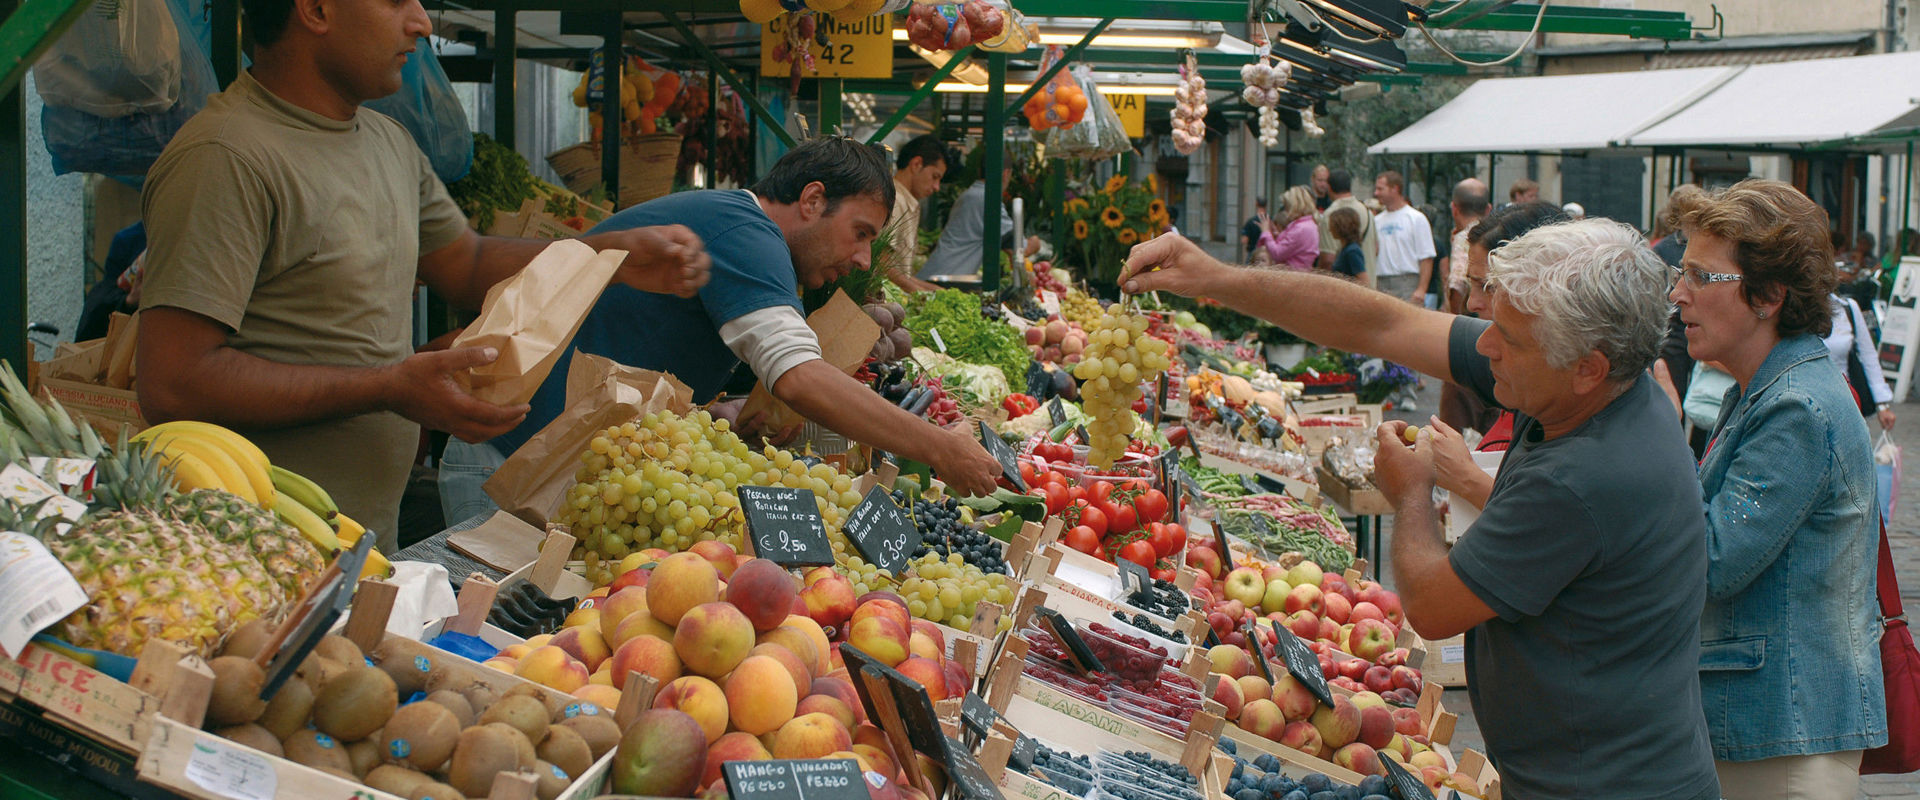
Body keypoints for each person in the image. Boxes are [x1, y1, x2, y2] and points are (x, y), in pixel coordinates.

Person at [1118, 220, 1720, 800]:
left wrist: (1409, 491)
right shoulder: (1593, 380)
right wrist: (1214, 277)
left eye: (1506, 340)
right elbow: (1382, 323)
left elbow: (1431, 606)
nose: (1484, 347)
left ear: (1588, 366)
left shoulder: (1584, 478)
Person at [135, 0, 710, 549]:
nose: (418, 24)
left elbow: (467, 264)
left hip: (362, 539)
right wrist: (389, 387)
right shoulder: (226, 156)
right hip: (252, 545)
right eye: (394, 2)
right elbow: (173, 381)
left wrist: (605, 257)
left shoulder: (388, 143)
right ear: (315, 10)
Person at [435, 137, 1004, 525]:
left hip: (543, 462)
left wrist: (726, 408)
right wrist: (939, 448)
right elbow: (800, 379)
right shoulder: (748, 235)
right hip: (505, 463)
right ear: (811, 201)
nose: (861, 259)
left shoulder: (737, 224)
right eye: (858, 233)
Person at [1661, 180, 1885, 798]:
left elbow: (1710, 559)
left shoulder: (1795, 406)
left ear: (1768, 296)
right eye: (1682, 274)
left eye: (1701, 278)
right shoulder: (1763, 389)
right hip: (1773, 725)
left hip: (1785, 731)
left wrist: (1659, 431)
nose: (1679, 295)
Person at [919, 149, 1039, 280]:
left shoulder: (973, 194)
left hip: (940, 274)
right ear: (1006, 174)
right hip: (942, 279)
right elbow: (1019, 248)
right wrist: (1036, 243)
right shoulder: (986, 199)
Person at [880, 135, 946, 293]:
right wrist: (920, 294)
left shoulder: (906, 201)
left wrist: (935, 291)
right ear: (916, 164)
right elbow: (881, 261)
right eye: (935, 177)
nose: (937, 187)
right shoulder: (895, 200)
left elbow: (901, 273)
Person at [1371, 171, 1435, 306]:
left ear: (1395, 189)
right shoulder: (1376, 221)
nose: (1376, 193)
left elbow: (1426, 257)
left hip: (1407, 283)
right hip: (1381, 283)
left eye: (1380, 189)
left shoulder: (1416, 218)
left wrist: (1421, 289)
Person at [1317, 169, 1376, 279]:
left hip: (1347, 289)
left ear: (1329, 188)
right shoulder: (1367, 211)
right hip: (1371, 284)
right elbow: (1376, 248)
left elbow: (1328, 259)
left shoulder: (1330, 214)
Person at [1442, 178, 1489, 310]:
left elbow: (1457, 283)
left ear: (1454, 209)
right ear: (1488, 209)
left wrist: (1455, 316)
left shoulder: (1466, 238)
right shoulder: (1496, 233)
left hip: (1473, 316)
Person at [1256, 185, 1320, 270]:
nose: (1285, 210)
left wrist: (1266, 232)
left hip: (1292, 276)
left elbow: (1277, 254)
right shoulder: (1310, 224)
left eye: (1287, 206)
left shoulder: (1300, 228)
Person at [1324, 207, 1366, 285]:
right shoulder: (1345, 249)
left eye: (1332, 225)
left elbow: (1363, 280)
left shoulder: (1352, 251)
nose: (1329, 229)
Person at [1241, 198, 1267, 262]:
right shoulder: (1270, 220)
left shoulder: (1250, 222)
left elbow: (1244, 240)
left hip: (1253, 253)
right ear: (1266, 205)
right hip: (1267, 255)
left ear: (1256, 204)